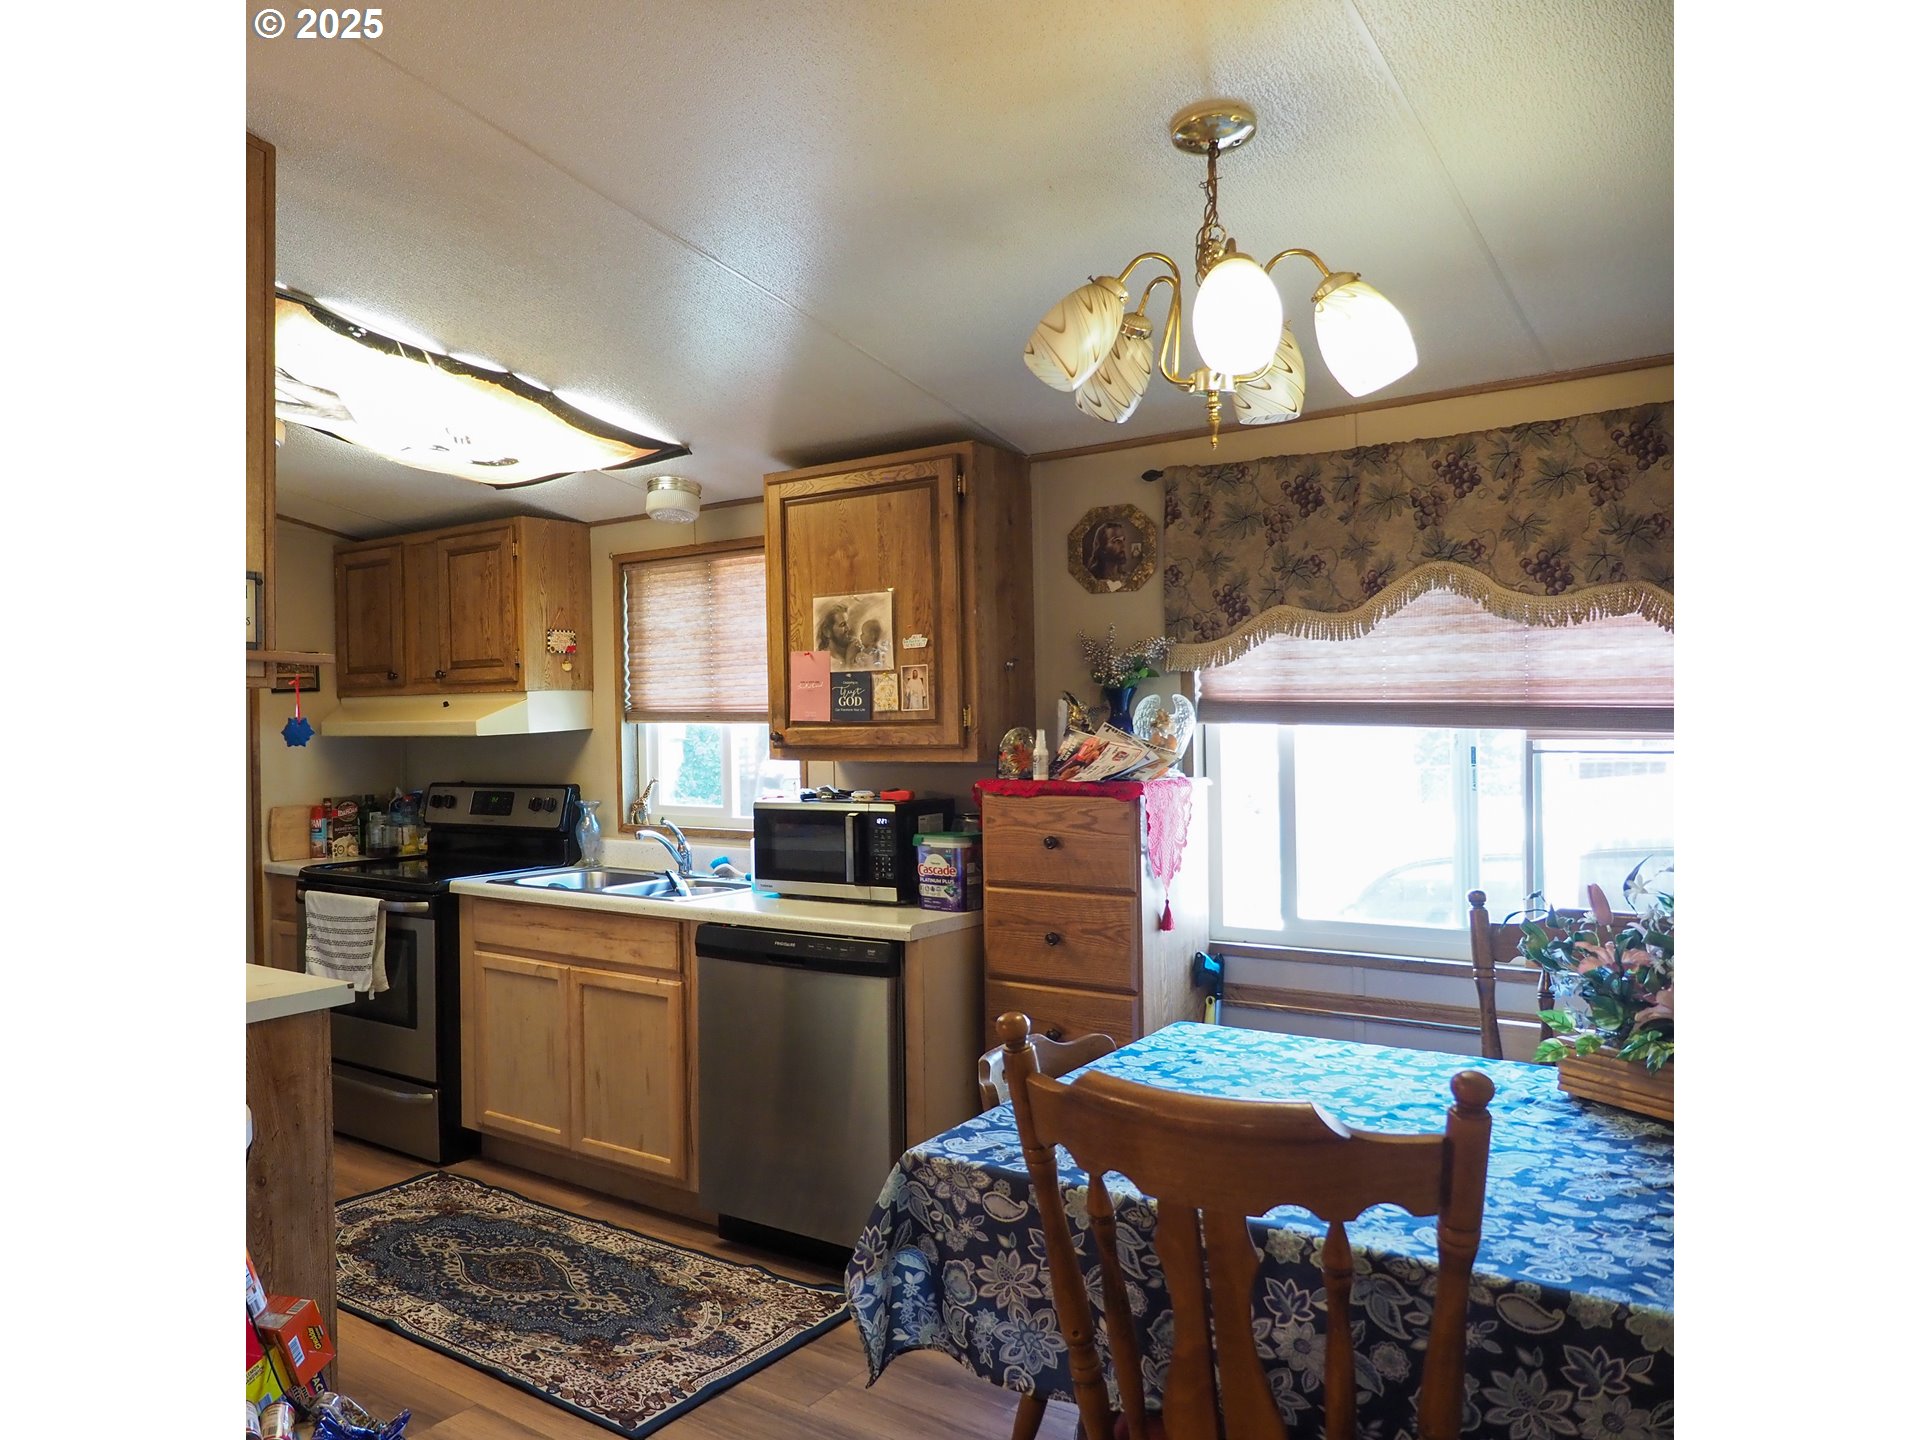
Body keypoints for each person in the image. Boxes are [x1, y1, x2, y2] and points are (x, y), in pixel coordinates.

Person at [1084, 521, 1132, 586]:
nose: (1123, 546)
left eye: (1123, 540)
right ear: (1103, 547)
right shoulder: (1091, 579)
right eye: (1116, 541)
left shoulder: (1127, 578)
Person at [815, 603, 857, 668]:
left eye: (847, 623)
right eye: (843, 624)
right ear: (827, 631)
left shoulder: (852, 651)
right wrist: (849, 660)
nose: (848, 628)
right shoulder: (824, 662)